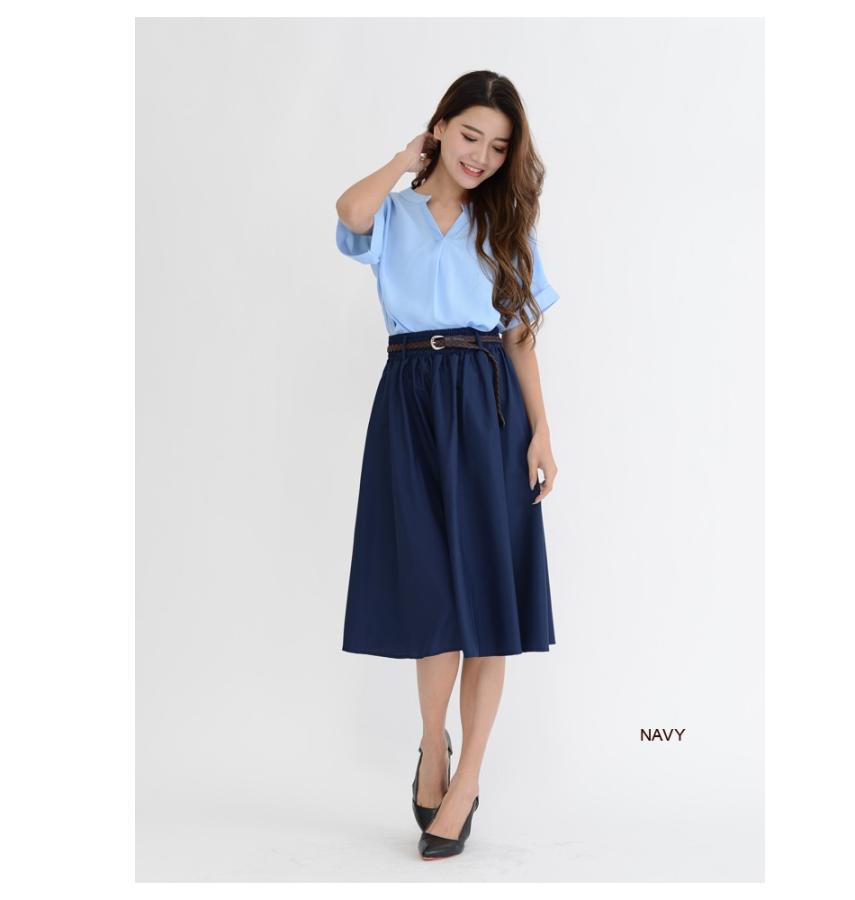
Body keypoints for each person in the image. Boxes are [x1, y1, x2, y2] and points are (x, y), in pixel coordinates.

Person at [334, 70, 560, 860]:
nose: (481, 157)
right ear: (440, 127)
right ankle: (434, 744)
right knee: (431, 593)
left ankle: (465, 785)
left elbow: (520, 336)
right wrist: (407, 160)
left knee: (488, 602)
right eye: (470, 136)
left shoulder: (505, 224)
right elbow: (349, 212)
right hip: (410, 400)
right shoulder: (394, 214)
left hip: (489, 403)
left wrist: (541, 431)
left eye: (498, 147)